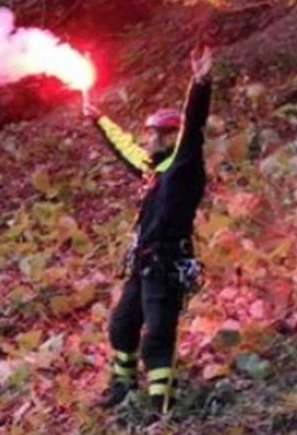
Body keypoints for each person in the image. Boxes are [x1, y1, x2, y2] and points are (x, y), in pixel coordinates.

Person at [84, 47, 214, 415]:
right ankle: (122, 385)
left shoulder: (184, 164)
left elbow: (194, 125)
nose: (149, 140)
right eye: (149, 133)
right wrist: (98, 119)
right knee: (122, 326)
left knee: (157, 335)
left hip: (167, 263)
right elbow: (125, 147)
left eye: (156, 134)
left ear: (172, 136)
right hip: (143, 262)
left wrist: (200, 83)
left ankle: (161, 407)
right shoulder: (153, 169)